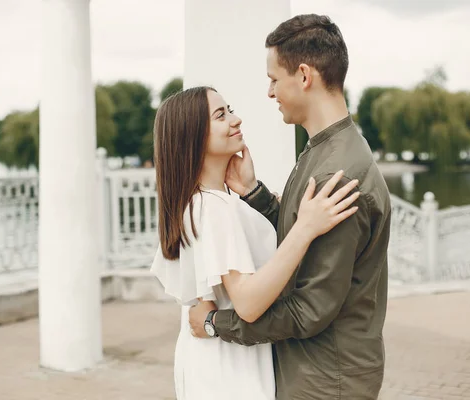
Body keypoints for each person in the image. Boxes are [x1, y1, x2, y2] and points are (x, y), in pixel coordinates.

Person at [188, 14, 392, 399]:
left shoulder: (339, 174)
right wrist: (254, 193)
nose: (269, 92)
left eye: (273, 79)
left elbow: (309, 309)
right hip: (316, 369)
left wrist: (217, 324)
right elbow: (300, 235)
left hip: (327, 379)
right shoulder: (324, 148)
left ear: (303, 76)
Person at [150, 86, 360, 400]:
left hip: (212, 363)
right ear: (193, 136)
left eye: (229, 109)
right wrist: (305, 229)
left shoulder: (196, 204)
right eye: (221, 115)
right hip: (231, 371)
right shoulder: (216, 209)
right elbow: (247, 304)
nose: (236, 119)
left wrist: (250, 190)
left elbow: (198, 296)